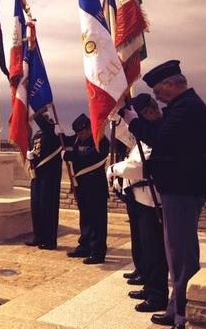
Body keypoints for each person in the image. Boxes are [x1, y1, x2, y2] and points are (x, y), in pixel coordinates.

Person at [120, 60, 206, 329]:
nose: (157, 96)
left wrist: (131, 120)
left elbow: (159, 139)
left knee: (182, 256)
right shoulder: (182, 107)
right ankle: (175, 307)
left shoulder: (187, 109)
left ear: (173, 84)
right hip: (178, 190)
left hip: (183, 191)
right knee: (175, 255)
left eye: (159, 90)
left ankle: (184, 319)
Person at [108, 93, 168, 314]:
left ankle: (158, 295)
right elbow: (130, 140)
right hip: (140, 198)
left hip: (151, 200)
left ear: (149, 113)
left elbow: (139, 166)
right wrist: (118, 119)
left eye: (138, 116)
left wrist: (114, 169)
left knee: (154, 250)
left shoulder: (158, 131)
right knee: (146, 246)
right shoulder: (147, 132)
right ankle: (150, 287)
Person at [62, 113, 109, 264]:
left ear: (89, 129)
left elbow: (88, 157)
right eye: (77, 133)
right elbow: (63, 140)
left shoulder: (100, 141)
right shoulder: (77, 139)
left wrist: (68, 155)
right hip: (82, 187)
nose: (79, 136)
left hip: (96, 188)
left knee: (97, 221)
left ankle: (97, 251)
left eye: (81, 132)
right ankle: (85, 246)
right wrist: (53, 128)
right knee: (85, 219)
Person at [25, 108, 63, 250]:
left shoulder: (53, 131)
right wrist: (31, 156)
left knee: (48, 208)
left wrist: (33, 107)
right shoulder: (37, 134)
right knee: (36, 207)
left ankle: (49, 240)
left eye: (45, 118)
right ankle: (38, 236)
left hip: (49, 175)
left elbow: (43, 124)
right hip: (37, 175)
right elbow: (38, 151)